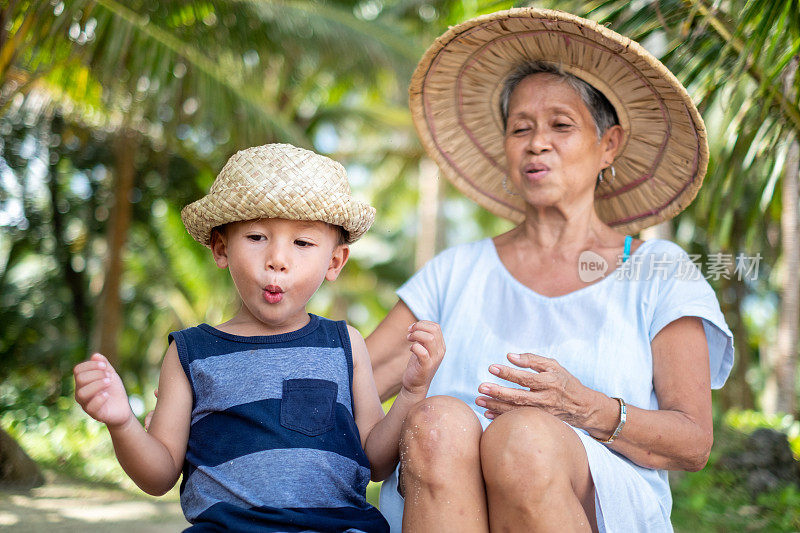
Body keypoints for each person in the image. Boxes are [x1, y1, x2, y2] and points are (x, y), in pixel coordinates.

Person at [366, 8, 733, 533]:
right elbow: (354, 377)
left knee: (525, 439)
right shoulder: (454, 273)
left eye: (561, 125)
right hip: (446, 505)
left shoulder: (657, 271)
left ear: (610, 145)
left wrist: (584, 406)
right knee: (436, 423)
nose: (538, 143)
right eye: (521, 129)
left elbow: (693, 442)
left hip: (594, 504)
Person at [73, 143, 445, 532]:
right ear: (221, 249)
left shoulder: (344, 344)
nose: (278, 259)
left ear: (334, 262)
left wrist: (412, 391)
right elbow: (159, 474)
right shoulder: (189, 353)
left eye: (302, 243)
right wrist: (121, 423)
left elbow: (376, 460)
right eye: (256, 237)